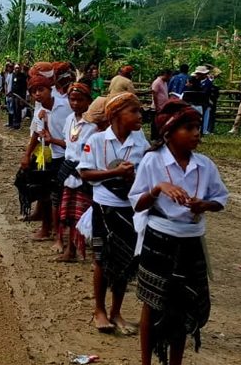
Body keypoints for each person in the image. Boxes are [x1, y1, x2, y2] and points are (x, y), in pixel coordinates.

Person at [130, 100, 228, 365]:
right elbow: (137, 203)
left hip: (191, 239)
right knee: (152, 302)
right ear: (169, 133)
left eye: (197, 127)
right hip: (160, 238)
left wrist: (203, 204)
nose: (196, 133)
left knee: (183, 305)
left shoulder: (205, 165)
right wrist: (158, 188)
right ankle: (146, 362)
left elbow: (220, 199)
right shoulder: (152, 161)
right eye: (188, 127)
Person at [78, 92, 149, 334]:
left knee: (125, 260)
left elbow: (148, 173)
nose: (140, 116)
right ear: (117, 115)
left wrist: (133, 177)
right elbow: (85, 173)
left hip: (130, 208)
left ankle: (116, 311)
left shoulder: (141, 142)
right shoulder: (97, 141)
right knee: (101, 259)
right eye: (134, 112)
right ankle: (99, 310)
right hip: (104, 208)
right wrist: (116, 173)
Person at [21, 71, 72, 246]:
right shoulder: (40, 111)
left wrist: (54, 140)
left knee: (60, 196)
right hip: (52, 155)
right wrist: (27, 155)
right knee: (47, 193)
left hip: (69, 156)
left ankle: (58, 232)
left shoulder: (66, 106)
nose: (37, 94)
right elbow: (36, 133)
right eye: (34, 91)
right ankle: (48, 228)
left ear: (50, 89)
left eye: (40, 89)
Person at [57, 81, 96, 262]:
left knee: (83, 214)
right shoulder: (69, 120)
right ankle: (70, 250)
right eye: (72, 99)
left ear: (88, 101)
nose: (75, 104)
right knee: (69, 214)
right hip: (68, 174)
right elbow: (68, 144)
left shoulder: (94, 125)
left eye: (79, 100)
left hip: (84, 175)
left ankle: (84, 250)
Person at [150, 69, 173, 140]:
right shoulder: (157, 82)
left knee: (161, 121)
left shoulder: (165, 82)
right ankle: (154, 136)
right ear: (166, 75)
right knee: (155, 122)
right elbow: (154, 94)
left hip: (163, 106)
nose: (170, 78)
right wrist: (157, 106)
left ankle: (160, 135)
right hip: (157, 106)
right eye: (169, 76)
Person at [9, 65, 28, 129]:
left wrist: (22, 98)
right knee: (14, 109)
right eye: (15, 68)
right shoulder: (13, 75)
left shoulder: (22, 76)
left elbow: (24, 88)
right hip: (14, 95)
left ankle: (17, 124)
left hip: (19, 96)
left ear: (20, 69)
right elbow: (12, 85)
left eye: (18, 68)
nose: (17, 69)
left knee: (18, 110)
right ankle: (13, 123)